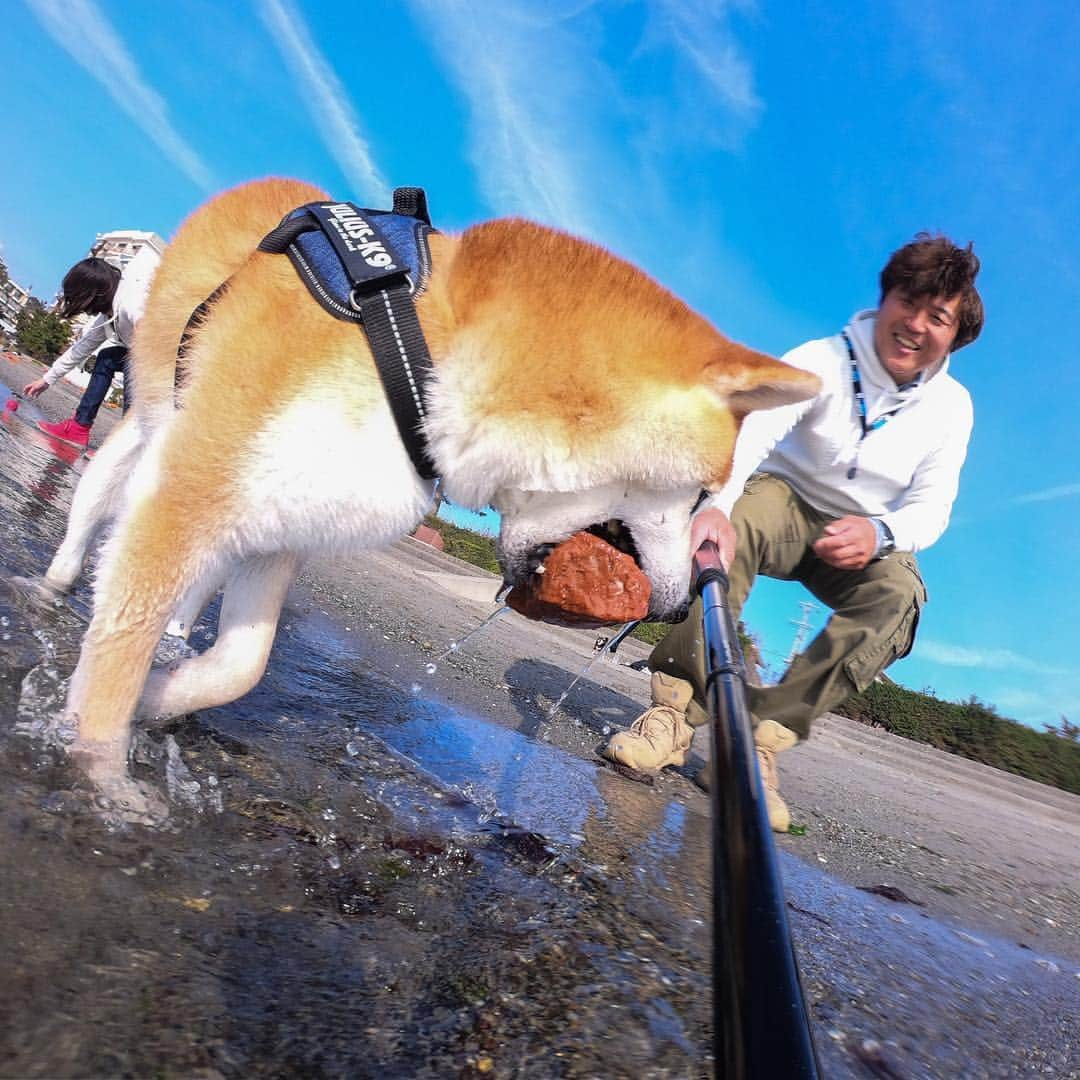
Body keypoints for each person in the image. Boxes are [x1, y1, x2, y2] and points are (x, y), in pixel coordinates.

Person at [603, 232, 984, 832]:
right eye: (907, 302)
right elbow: (754, 435)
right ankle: (672, 716)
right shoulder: (823, 358)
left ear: (955, 335)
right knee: (732, 527)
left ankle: (759, 744)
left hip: (863, 536)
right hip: (784, 501)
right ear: (884, 301)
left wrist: (881, 533)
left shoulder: (952, 408)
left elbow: (933, 507)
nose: (915, 324)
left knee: (900, 596)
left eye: (937, 316)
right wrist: (718, 506)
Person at [23, 245, 160, 447]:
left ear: (93, 293)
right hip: (148, 357)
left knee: (135, 361)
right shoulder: (109, 314)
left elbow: (151, 338)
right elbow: (81, 348)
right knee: (107, 357)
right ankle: (79, 428)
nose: (84, 309)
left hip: (170, 363)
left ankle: (130, 446)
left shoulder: (132, 301)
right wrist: (46, 380)